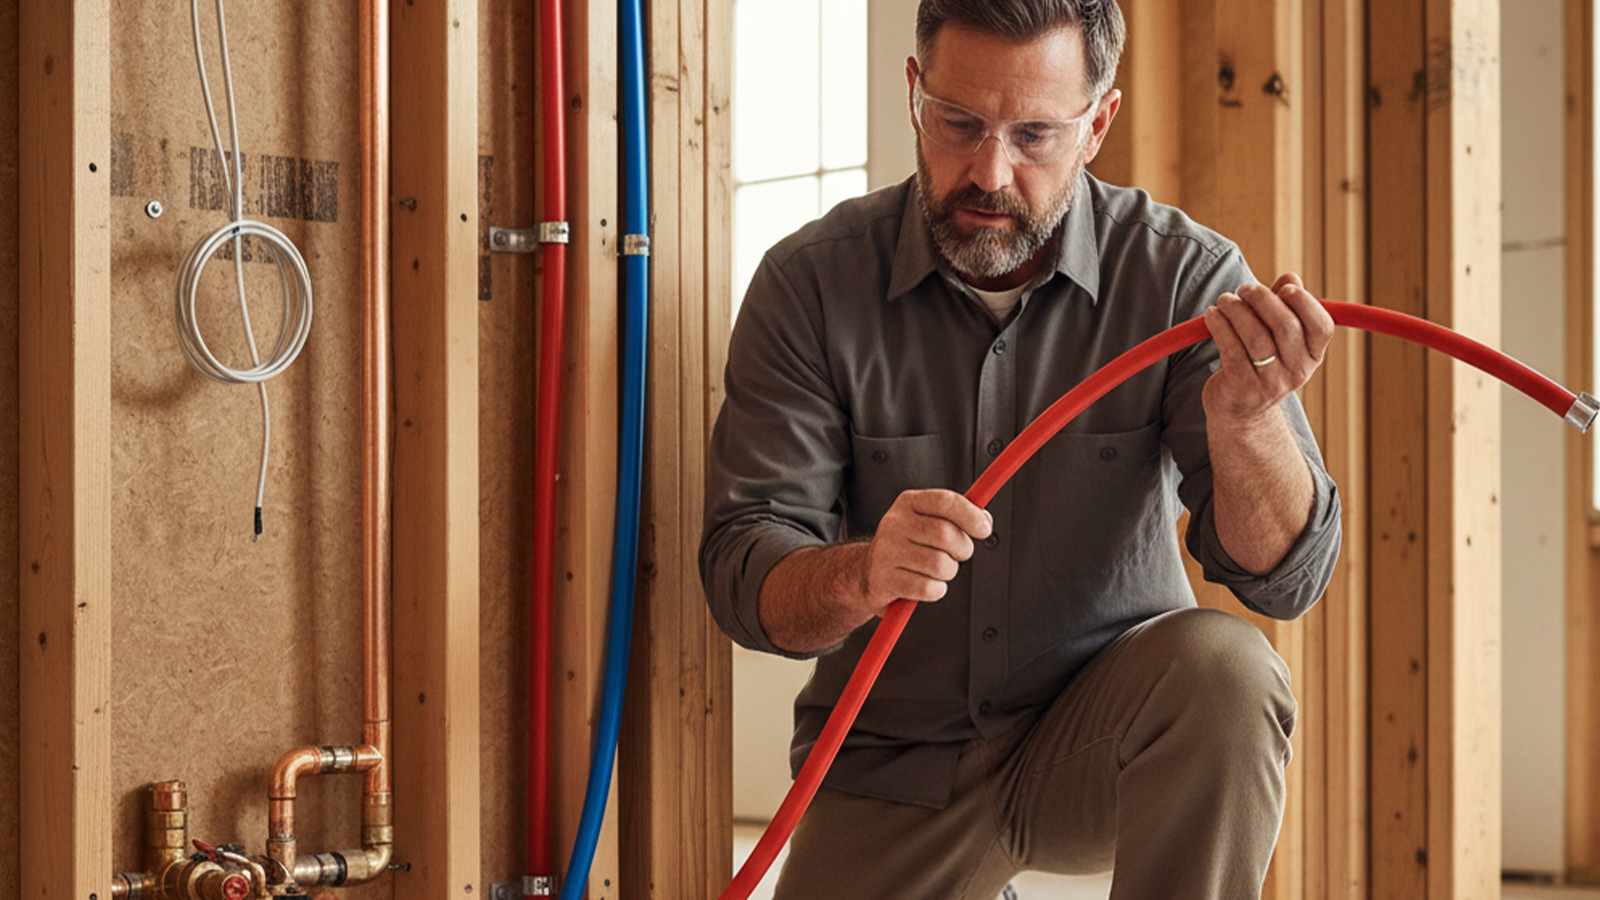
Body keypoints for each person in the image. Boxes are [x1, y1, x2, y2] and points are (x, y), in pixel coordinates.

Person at [699, 0, 1342, 897]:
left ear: (1098, 124)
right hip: (893, 763)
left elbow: (1288, 578)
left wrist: (1247, 427)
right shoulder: (809, 287)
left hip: (1099, 743)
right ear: (915, 93)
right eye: (960, 123)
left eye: (1035, 133)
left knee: (1231, 677)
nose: (990, 172)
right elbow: (741, 572)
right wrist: (862, 572)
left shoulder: (1182, 277)